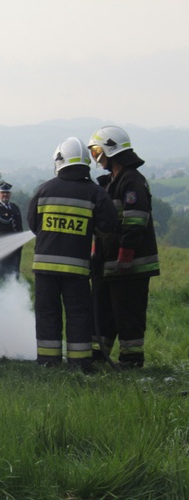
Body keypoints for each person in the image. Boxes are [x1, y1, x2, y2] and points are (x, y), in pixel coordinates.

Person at [27, 137, 117, 370]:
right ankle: (79, 362)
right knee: (78, 315)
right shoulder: (95, 193)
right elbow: (108, 226)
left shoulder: (44, 190)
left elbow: (33, 225)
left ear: (60, 161)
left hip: (45, 268)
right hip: (77, 270)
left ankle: (48, 361)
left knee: (47, 313)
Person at [88, 126, 160, 369]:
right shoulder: (111, 182)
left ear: (111, 149)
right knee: (104, 311)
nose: (97, 157)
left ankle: (131, 360)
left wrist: (125, 256)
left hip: (130, 265)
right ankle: (99, 356)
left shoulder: (132, 181)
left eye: (98, 151)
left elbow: (136, 220)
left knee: (127, 313)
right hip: (109, 263)